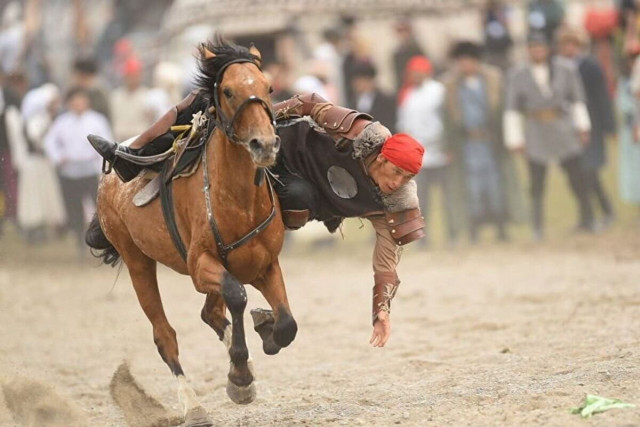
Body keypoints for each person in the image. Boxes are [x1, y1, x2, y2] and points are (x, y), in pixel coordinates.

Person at [88, 69, 426, 348]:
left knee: (300, 196)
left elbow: (386, 260)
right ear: (381, 157)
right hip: (276, 152)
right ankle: (136, 156)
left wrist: (380, 310)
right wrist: (262, 119)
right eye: (396, 172)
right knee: (204, 105)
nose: (398, 182)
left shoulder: (394, 203)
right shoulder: (358, 133)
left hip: (297, 196)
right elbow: (310, 104)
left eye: (407, 177)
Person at [504, 33, 593, 240]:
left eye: (540, 47)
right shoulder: (518, 74)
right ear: (528, 51)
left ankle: (588, 218)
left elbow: (577, 98)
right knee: (536, 182)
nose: (537, 51)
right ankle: (537, 226)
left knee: (576, 176)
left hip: (563, 128)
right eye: (533, 48)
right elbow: (512, 108)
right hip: (536, 130)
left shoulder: (565, 69)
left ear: (547, 49)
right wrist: (514, 138)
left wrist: (582, 126)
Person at [442, 41, 522, 243]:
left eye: (469, 60)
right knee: (472, 188)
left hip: (490, 142)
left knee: (495, 185)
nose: (466, 65)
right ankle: (473, 229)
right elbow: (447, 120)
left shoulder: (492, 82)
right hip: (467, 144)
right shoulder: (451, 87)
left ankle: (501, 227)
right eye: (462, 61)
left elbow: (503, 112)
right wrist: (449, 146)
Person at [557, 28, 616, 228]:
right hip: (568, 129)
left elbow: (602, 97)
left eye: (571, 45)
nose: (568, 49)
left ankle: (605, 211)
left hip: (592, 126)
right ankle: (586, 217)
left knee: (590, 173)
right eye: (565, 45)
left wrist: (609, 125)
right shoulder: (558, 69)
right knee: (576, 176)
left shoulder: (590, 67)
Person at [397, 55, 457, 247]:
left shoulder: (438, 91)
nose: (415, 76)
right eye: (412, 73)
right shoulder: (407, 94)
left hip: (439, 152)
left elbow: (448, 120)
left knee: (447, 198)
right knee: (421, 201)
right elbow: (404, 124)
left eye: (419, 72)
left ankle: (452, 235)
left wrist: (448, 146)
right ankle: (423, 237)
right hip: (417, 158)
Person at [44, 87, 111, 255]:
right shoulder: (62, 122)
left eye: (81, 100)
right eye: (74, 100)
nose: (78, 104)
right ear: (69, 103)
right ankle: (79, 241)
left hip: (90, 170)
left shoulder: (97, 120)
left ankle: (102, 239)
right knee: (73, 207)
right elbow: (49, 142)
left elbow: (107, 143)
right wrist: (59, 158)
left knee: (98, 207)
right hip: (70, 171)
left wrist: (102, 168)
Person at [350, 61, 396, 133]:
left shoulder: (386, 100)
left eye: (361, 80)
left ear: (370, 80)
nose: (357, 84)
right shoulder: (353, 101)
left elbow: (390, 125)